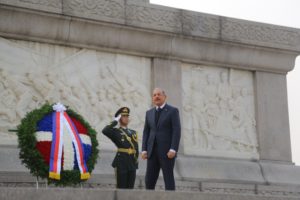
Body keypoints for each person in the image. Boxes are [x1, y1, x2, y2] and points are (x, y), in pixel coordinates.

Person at [142, 88, 181, 190]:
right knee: (149, 180)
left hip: (167, 152)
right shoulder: (149, 113)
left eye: (159, 94)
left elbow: (176, 130)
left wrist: (173, 149)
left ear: (165, 97)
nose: (156, 97)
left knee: (168, 179)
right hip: (152, 152)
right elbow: (146, 132)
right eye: (154, 95)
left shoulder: (173, 111)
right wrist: (144, 149)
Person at [102, 107, 139, 189]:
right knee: (121, 187)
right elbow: (105, 131)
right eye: (123, 116)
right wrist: (115, 121)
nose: (126, 118)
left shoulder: (133, 132)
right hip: (122, 162)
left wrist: (136, 162)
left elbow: (136, 148)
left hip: (132, 163)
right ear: (119, 118)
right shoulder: (115, 132)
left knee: (130, 188)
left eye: (127, 116)